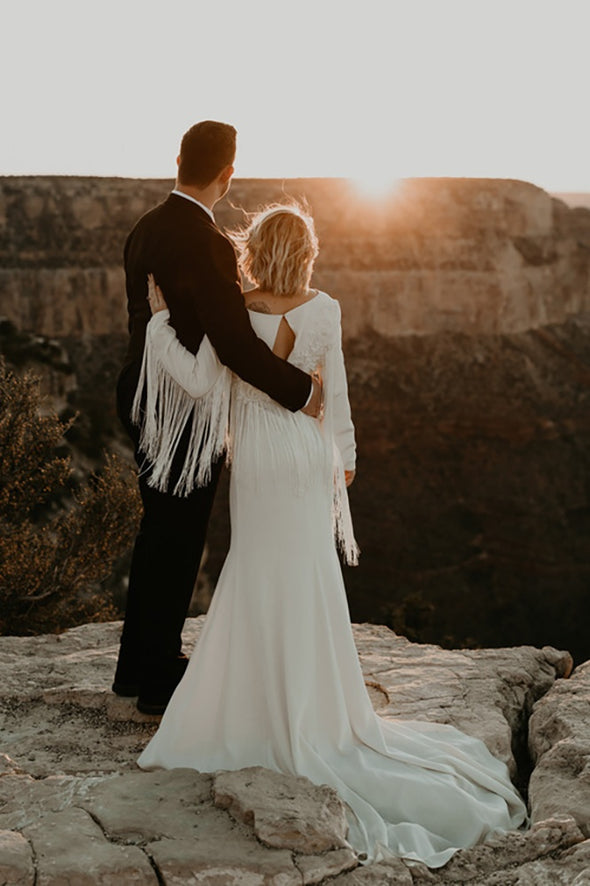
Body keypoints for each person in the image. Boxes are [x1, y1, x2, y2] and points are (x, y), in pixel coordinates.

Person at [135, 203, 528, 869]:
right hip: (307, 455)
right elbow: (335, 390)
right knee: (310, 574)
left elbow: (201, 379)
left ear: (254, 250)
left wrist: (156, 325)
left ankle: (259, 708)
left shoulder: (234, 309)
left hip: (259, 457)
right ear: (308, 252)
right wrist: (345, 457)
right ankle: (321, 712)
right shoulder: (326, 308)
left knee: (258, 570)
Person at [113, 121, 322, 715]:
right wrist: (300, 390)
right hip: (185, 412)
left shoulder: (144, 228)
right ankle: (154, 683)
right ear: (228, 175)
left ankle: (138, 673)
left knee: (159, 534)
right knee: (179, 541)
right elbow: (232, 344)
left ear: (178, 159)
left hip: (141, 398)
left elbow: (148, 324)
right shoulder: (207, 243)